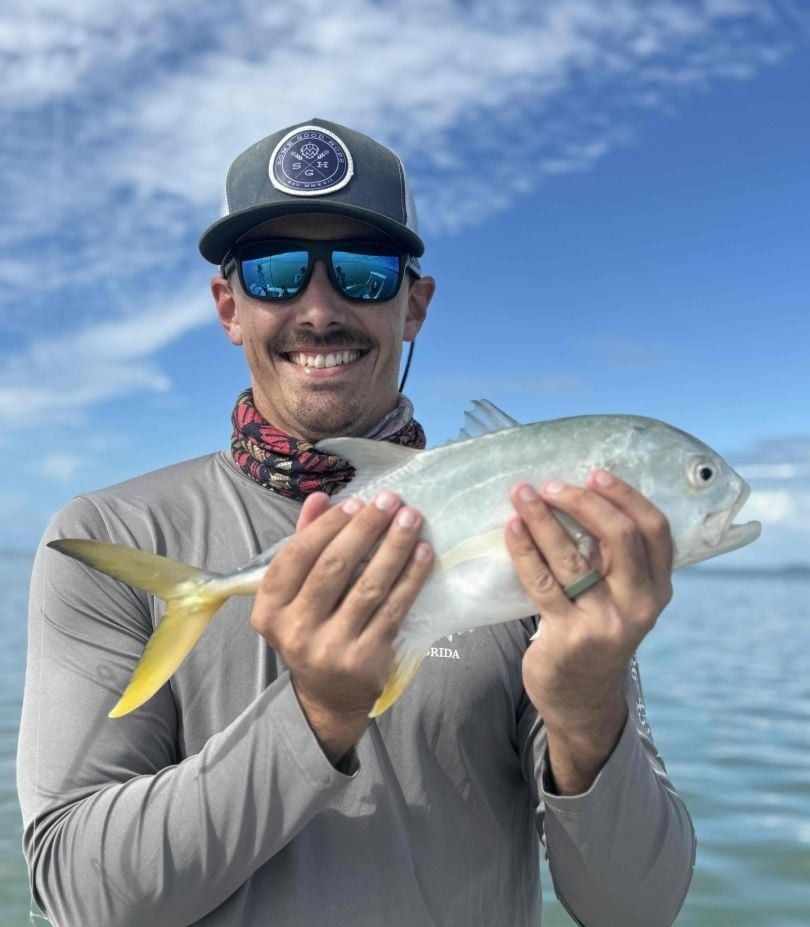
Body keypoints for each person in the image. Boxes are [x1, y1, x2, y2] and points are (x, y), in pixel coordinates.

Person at [17, 118, 696, 926]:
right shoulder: (112, 533)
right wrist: (316, 717)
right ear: (229, 306)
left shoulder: (535, 535)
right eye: (275, 273)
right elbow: (76, 893)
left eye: (364, 275)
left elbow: (638, 907)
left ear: (415, 304)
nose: (318, 308)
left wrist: (588, 707)